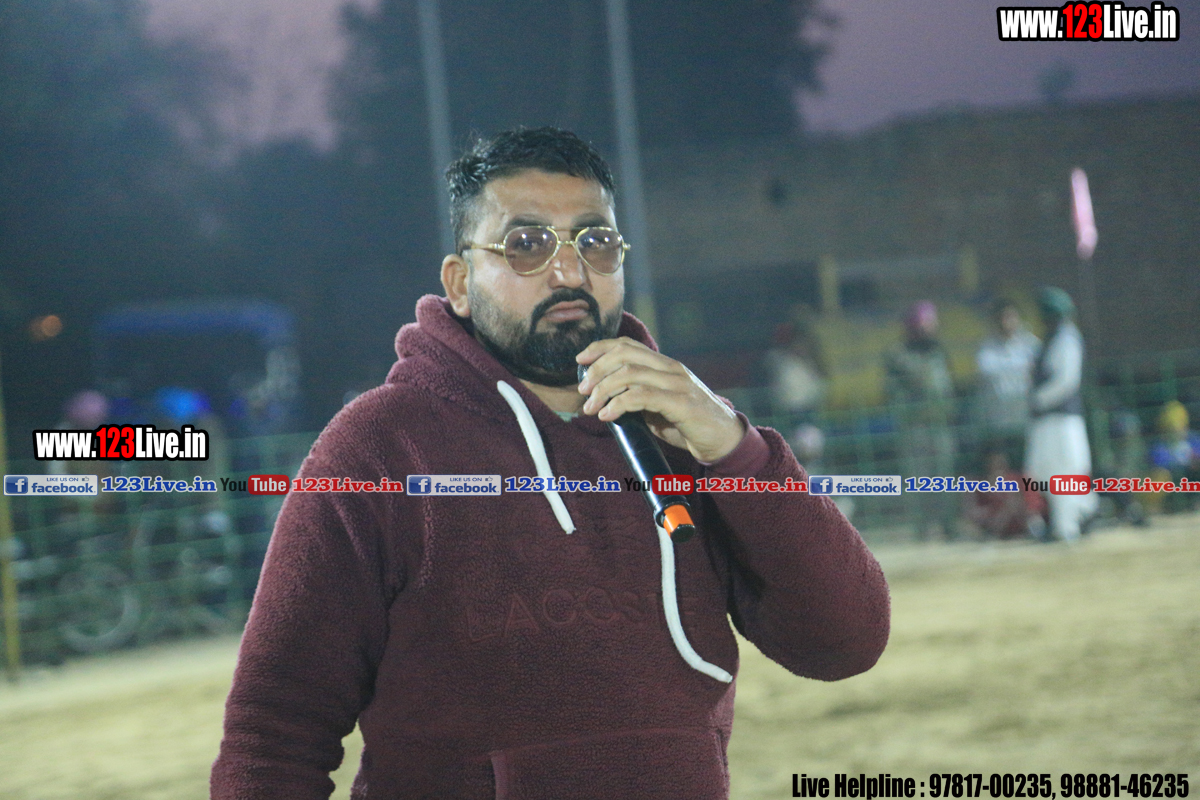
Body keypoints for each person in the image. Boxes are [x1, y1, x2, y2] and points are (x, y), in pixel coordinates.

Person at [210, 128, 890, 799]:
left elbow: (845, 642)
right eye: (527, 245)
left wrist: (736, 450)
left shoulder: (688, 431)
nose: (570, 273)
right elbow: (273, 735)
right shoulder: (379, 449)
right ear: (461, 284)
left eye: (596, 242)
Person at [1024, 287, 1097, 541]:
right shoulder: (1050, 340)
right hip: (1047, 421)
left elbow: (1066, 381)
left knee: (1066, 472)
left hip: (1063, 420)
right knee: (1042, 472)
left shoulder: (1067, 339)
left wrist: (1038, 399)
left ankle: (1070, 525)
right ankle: (1075, 516)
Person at [885, 300, 958, 539]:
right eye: (925, 325)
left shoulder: (939, 351)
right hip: (914, 426)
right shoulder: (898, 354)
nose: (930, 330)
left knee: (945, 477)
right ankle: (922, 529)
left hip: (940, 423)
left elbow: (948, 385)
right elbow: (893, 392)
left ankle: (949, 526)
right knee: (918, 479)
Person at [974, 298, 1040, 471]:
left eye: (1011, 317)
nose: (1007, 322)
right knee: (1001, 470)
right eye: (1003, 318)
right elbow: (988, 372)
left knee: (1029, 469)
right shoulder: (987, 348)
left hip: (1027, 421)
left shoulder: (1031, 345)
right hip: (999, 424)